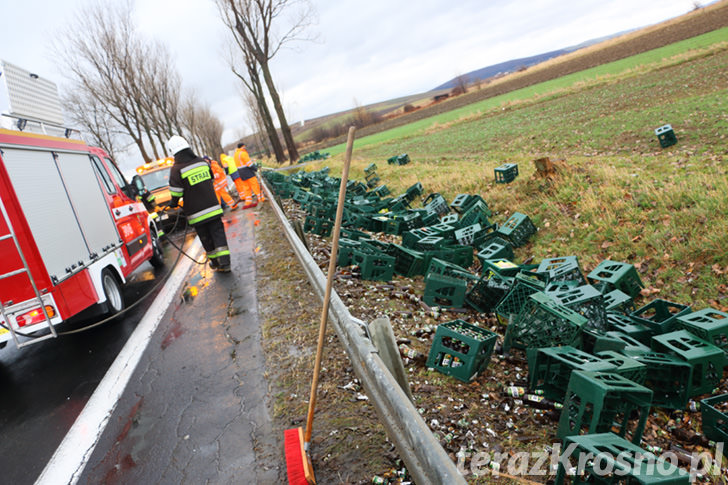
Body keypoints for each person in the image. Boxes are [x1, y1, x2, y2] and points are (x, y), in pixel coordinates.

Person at [166, 136, 231, 272]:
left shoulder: (176, 169)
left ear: (174, 152)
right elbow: (211, 179)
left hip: (196, 213)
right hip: (213, 207)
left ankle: (215, 262)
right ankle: (225, 263)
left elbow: (176, 194)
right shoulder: (202, 162)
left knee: (206, 238)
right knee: (219, 235)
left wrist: (172, 204)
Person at [234, 142, 265, 209]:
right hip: (247, 172)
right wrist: (255, 168)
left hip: (241, 173)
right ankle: (261, 198)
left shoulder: (235, 154)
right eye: (244, 146)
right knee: (255, 185)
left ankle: (248, 202)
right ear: (242, 146)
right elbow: (249, 164)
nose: (245, 148)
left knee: (246, 188)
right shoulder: (243, 153)